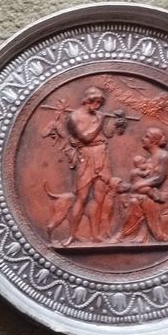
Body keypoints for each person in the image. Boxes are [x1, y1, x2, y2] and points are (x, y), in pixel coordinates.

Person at [61, 87, 128, 244]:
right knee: (82, 198)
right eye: (95, 102)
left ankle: (95, 234)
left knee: (100, 198)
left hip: (101, 154)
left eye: (99, 103)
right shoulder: (74, 117)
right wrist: (101, 121)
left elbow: (107, 134)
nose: (97, 106)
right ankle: (72, 235)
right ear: (87, 100)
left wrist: (117, 124)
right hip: (86, 156)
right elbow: (86, 138)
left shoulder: (98, 115)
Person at [113, 128, 168, 243]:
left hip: (165, 196)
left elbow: (158, 179)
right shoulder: (148, 160)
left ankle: (123, 236)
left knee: (137, 200)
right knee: (129, 199)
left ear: (154, 141)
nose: (142, 139)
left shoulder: (163, 156)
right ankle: (126, 236)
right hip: (154, 192)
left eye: (146, 136)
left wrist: (137, 186)